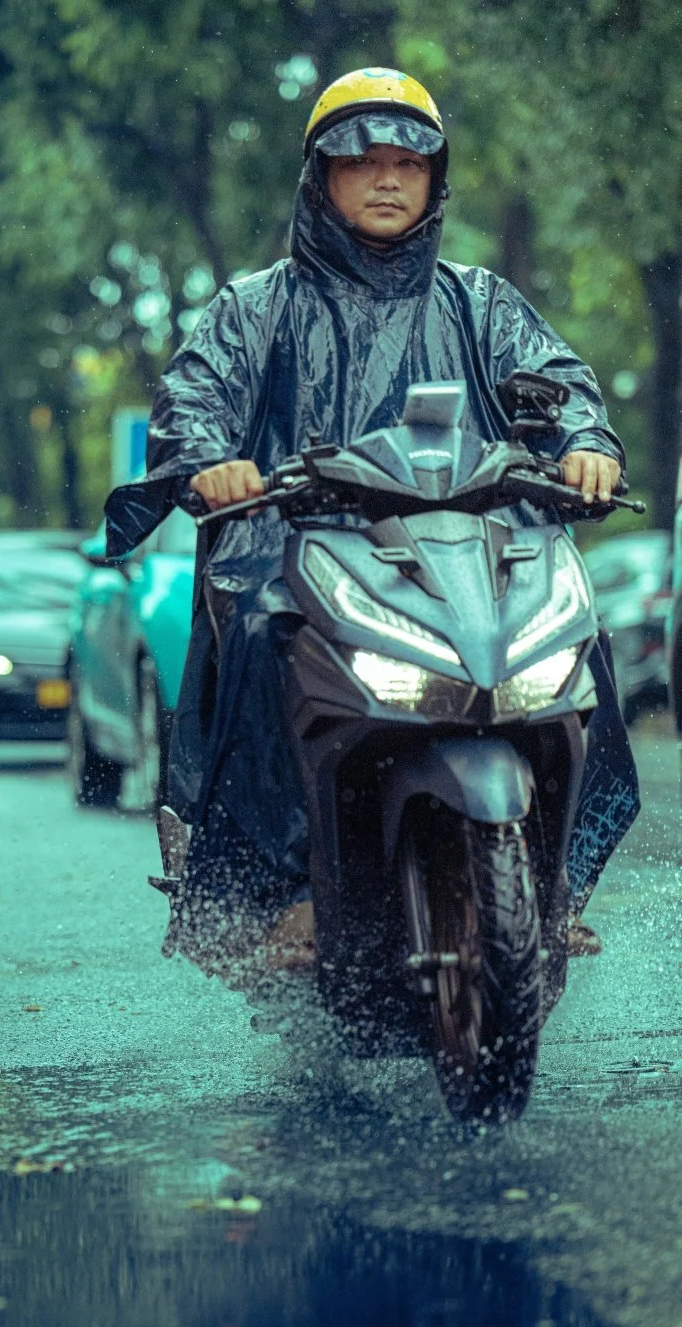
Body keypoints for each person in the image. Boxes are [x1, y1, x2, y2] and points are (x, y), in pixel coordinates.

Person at [104, 67, 638, 971]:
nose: (387, 180)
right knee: (262, 629)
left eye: (408, 164)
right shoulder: (255, 307)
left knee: (577, 634)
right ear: (320, 179)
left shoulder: (481, 302)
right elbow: (193, 400)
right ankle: (288, 891)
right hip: (294, 550)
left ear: (436, 181)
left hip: (475, 548)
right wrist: (208, 461)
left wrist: (586, 443)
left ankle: (552, 881)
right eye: (360, 163)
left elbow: (560, 384)